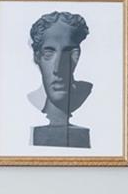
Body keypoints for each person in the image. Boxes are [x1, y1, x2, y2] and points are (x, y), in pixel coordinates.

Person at [27, 10, 93, 148]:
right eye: (49, 53)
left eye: (69, 52)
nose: (57, 68)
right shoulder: (30, 99)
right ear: (37, 57)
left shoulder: (86, 91)